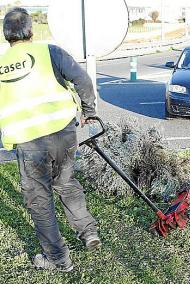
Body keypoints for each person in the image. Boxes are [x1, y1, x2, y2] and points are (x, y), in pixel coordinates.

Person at [0, 8, 101, 272]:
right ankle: (88, 232)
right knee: (66, 183)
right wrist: (89, 112)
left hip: (29, 141)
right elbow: (82, 80)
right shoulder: (50, 52)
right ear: (31, 31)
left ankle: (57, 258)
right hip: (62, 133)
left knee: (39, 199)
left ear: (6, 35)